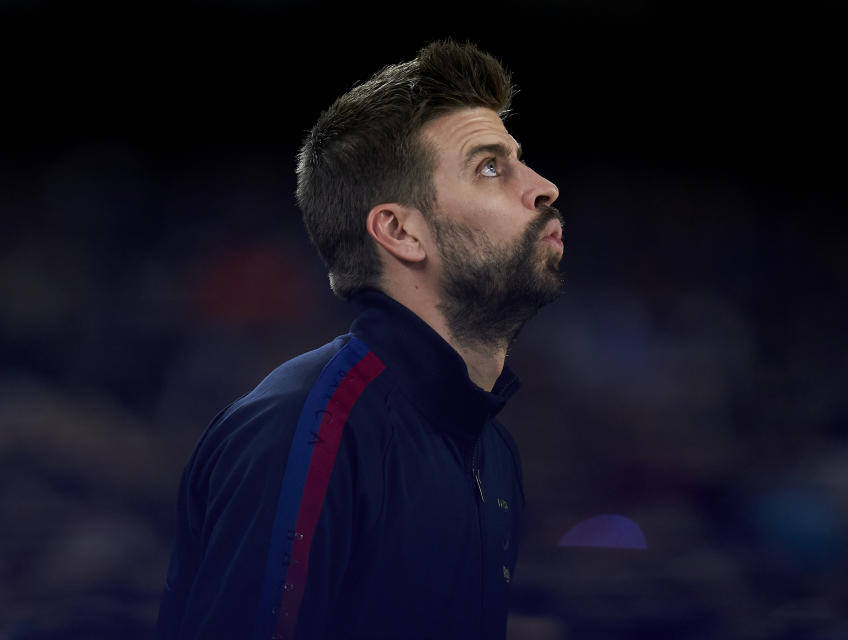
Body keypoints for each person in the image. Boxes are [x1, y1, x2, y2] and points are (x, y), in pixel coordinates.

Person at [158, 40, 564, 640]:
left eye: (519, 160)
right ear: (401, 232)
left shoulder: (493, 448)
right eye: (488, 167)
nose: (544, 186)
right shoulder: (306, 427)